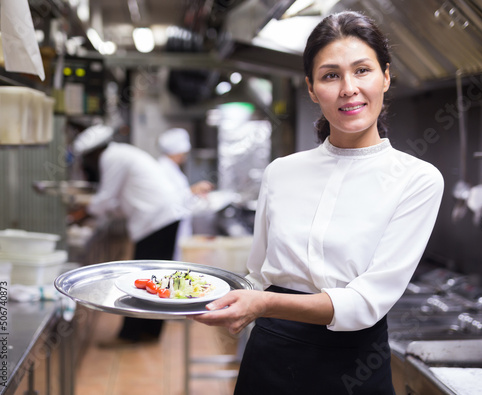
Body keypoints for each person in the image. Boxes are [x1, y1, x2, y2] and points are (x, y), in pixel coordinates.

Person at [191, 11, 444, 394]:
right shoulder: (280, 172)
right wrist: (204, 297)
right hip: (269, 360)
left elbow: (364, 303)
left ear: (386, 77)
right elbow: (258, 275)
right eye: (331, 75)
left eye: (362, 70)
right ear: (311, 88)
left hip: (354, 367)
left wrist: (261, 305)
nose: (348, 88)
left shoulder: (418, 180)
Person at [73, 124, 183, 345]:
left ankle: (130, 335)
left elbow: (105, 198)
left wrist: (78, 215)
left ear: (95, 152)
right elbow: (117, 201)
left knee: (141, 279)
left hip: (156, 221)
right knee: (158, 278)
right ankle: (150, 330)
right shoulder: (121, 154)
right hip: (163, 217)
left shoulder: (111, 158)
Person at [156, 128, 214, 260]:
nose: (184, 156)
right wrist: (193, 190)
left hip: (179, 223)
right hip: (170, 223)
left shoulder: (171, 167)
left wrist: (194, 192)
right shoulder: (163, 168)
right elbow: (169, 199)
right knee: (172, 258)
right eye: (183, 153)